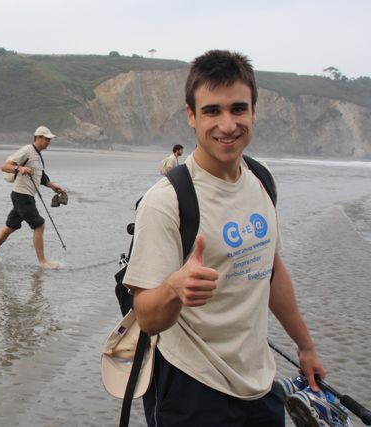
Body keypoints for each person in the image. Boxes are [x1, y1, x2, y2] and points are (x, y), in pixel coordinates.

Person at [123, 50, 326, 427]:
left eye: (238, 109)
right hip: (192, 388)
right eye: (212, 111)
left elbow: (272, 271)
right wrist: (173, 288)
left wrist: (306, 347)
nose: (228, 124)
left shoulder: (262, 181)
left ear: (254, 111)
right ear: (191, 116)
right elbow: (146, 317)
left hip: (260, 384)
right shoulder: (166, 201)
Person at [0, 126, 64, 269]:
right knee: (39, 225)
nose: (49, 142)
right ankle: (43, 262)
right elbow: (5, 166)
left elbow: (40, 176)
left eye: (50, 140)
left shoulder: (38, 155)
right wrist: (19, 168)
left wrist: (52, 186)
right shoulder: (27, 150)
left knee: (11, 226)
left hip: (24, 196)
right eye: (46, 139)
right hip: (22, 195)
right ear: (38, 137)